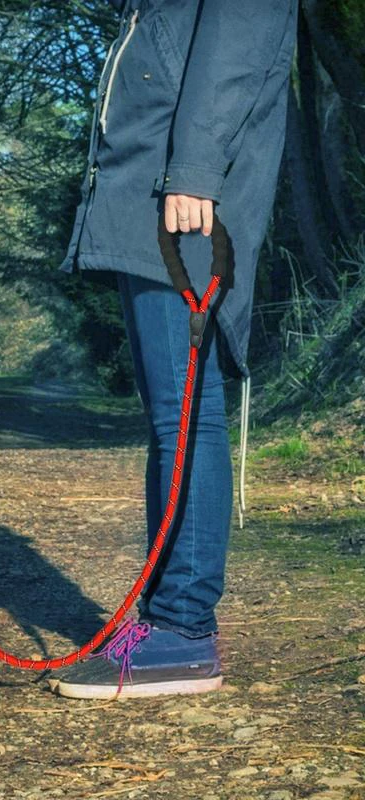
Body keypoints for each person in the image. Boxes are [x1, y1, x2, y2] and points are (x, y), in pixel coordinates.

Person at [51, 0, 298, 698]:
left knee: (186, 416)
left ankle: (183, 631)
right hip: (153, 191)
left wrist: (194, 169)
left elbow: (241, 38)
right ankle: (166, 622)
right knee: (175, 416)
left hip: (179, 195)